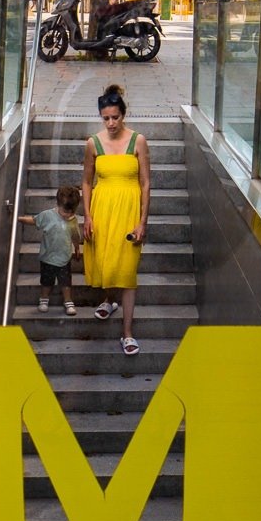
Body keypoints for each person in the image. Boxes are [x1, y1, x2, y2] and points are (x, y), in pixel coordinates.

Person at [82, 84, 150, 356]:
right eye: (106, 118)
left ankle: (127, 333)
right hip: (102, 210)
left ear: (124, 114)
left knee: (127, 271)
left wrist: (143, 221)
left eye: (115, 117)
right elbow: (86, 182)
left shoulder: (138, 141)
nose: (110, 123)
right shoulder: (93, 143)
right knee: (107, 260)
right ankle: (109, 300)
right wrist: (87, 216)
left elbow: (146, 183)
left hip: (129, 211)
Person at [17, 185, 82, 316]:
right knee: (46, 282)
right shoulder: (47, 215)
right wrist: (20, 219)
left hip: (64, 258)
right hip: (47, 258)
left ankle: (68, 301)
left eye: (71, 212)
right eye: (65, 212)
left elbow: (75, 236)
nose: (68, 215)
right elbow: (34, 220)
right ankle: (44, 299)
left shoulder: (73, 221)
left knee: (66, 283)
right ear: (57, 205)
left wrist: (77, 248)